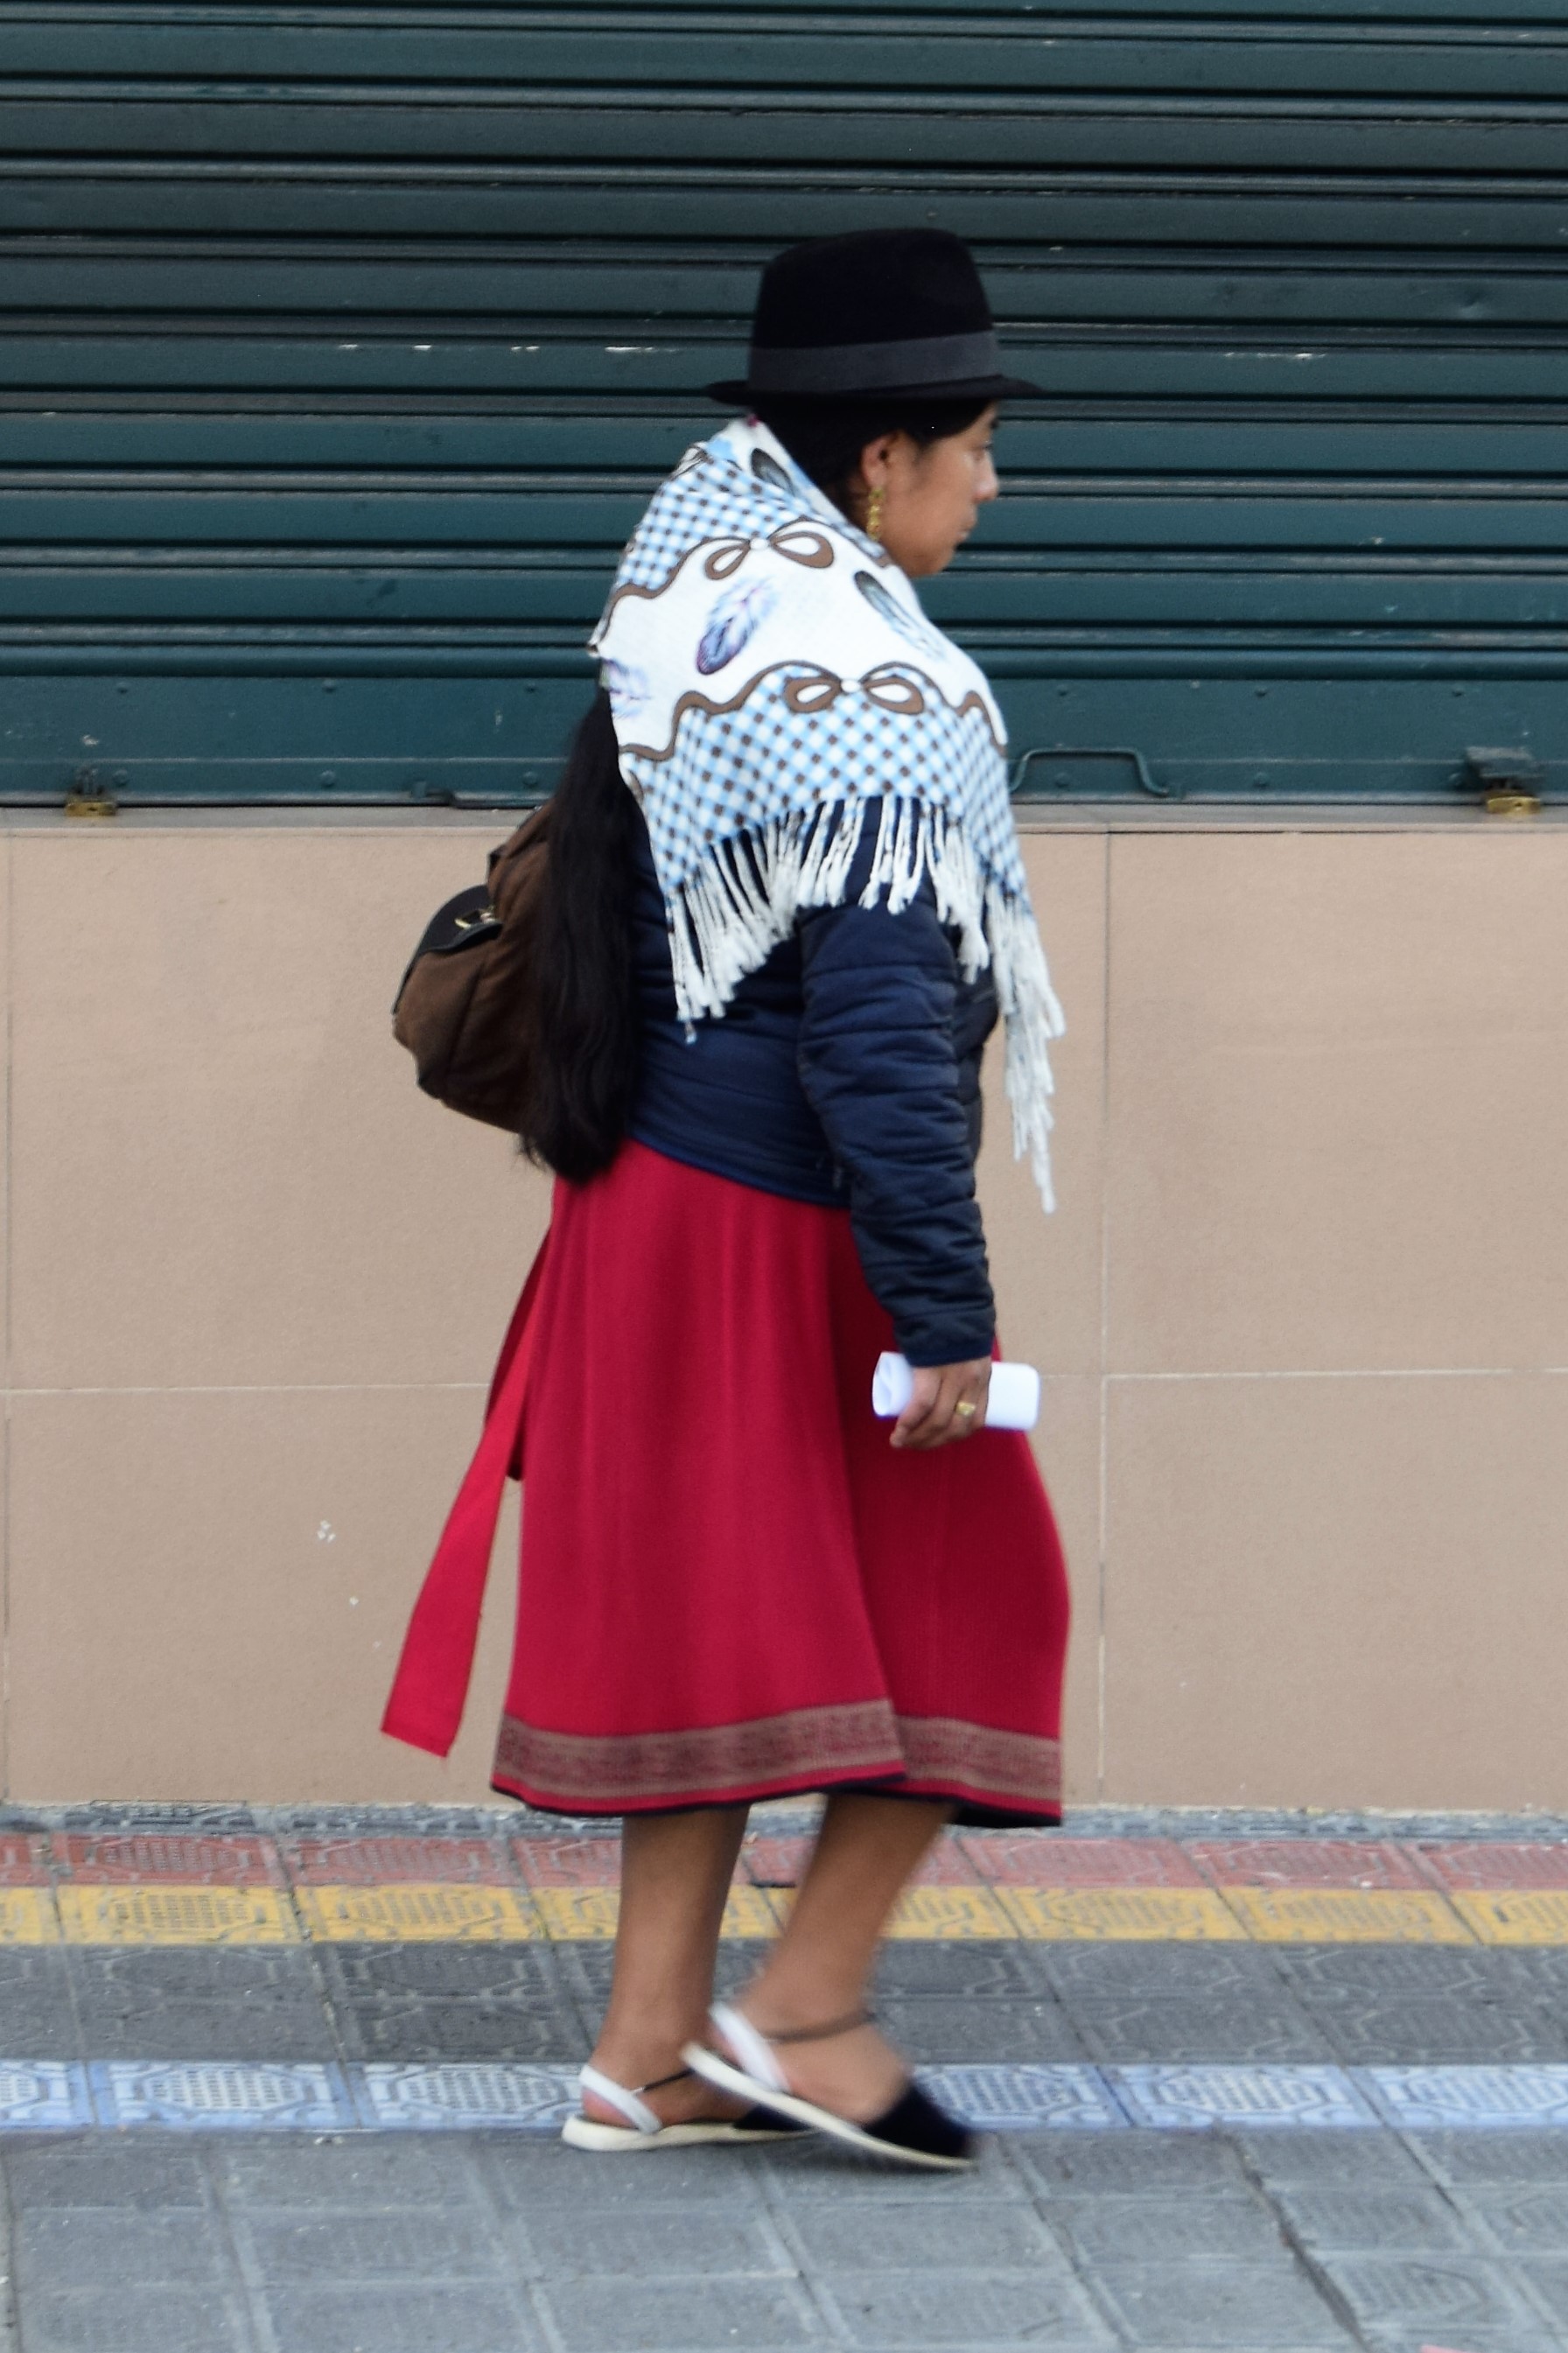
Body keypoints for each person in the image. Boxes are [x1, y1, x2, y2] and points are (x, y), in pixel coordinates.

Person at [385, 228, 1070, 2171]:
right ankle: (803, 2006)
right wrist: (941, 1305)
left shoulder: (696, 590)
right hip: (788, 1231)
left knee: (722, 1637)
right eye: (977, 442)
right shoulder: (868, 675)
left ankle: (643, 2054)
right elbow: (870, 1024)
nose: (991, 482)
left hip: (650, 1216)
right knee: (980, 1605)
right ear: (881, 461)